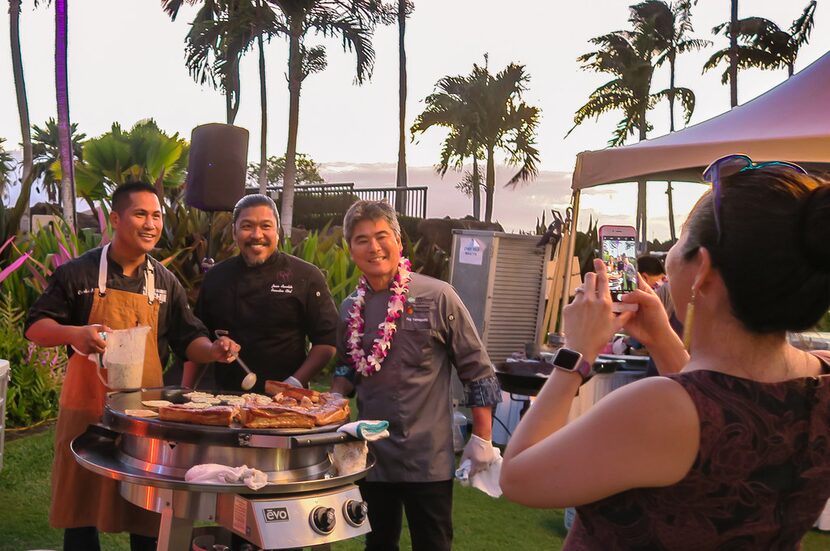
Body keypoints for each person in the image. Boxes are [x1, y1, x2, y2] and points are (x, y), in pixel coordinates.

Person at [500, 158, 830, 549]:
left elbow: (519, 477)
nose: (669, 254)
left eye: (679, 241)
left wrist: (575, 355)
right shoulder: (820, 383)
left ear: (702, 269)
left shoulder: (655, 407)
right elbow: (722, 405)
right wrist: (660, 337)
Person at [24, 182, 242, 551]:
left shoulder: (164, 281)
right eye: (140, 214)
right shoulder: (78, 274)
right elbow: (35, 327)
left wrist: (214, 349)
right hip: (86, 410)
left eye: (156, 215)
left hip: (144, 415)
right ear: (115, 218)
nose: (151, 224)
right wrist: (75, 333)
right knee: (81, 503)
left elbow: (189, 340)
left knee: (147, 510)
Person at [330, 200, 502, 551]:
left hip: (429, 457)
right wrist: (332, 402)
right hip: (373, 456)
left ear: (398, 240)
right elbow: (347, 367)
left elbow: (477, 370)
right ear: (351, 250)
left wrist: (482, 438)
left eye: (381, 236)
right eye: (362, 239)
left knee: (433, 545)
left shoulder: (438, 296)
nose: (373, 247)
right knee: (377, 545)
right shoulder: (350, 308)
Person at [185, 194, 338, 392]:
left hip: (286, 402)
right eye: (247, 226)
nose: (257, 235)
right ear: (234, 231)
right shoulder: (216, 277)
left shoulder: (306, 276)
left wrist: (295, 382)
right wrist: (186, 391)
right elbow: (199, 338)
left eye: (266, 226)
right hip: (225, 399)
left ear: (278, 231)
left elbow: (327, 341)